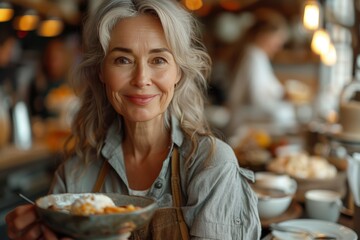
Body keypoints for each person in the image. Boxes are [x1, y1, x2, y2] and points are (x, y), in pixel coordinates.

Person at [5, 0, 261, 239]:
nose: (141, 79)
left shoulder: (211, 165)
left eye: (158, 60)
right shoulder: (76, 174)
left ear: (178, 73)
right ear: (102, 71)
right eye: (123, 60)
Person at [224, 8, 295, 137]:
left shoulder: (258, 56)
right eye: (277, 39)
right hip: (242, 129)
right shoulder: (253, 56)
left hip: (247, 125)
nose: (279, 46)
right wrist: (282, 99)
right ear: (264, 35)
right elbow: (257, 100)